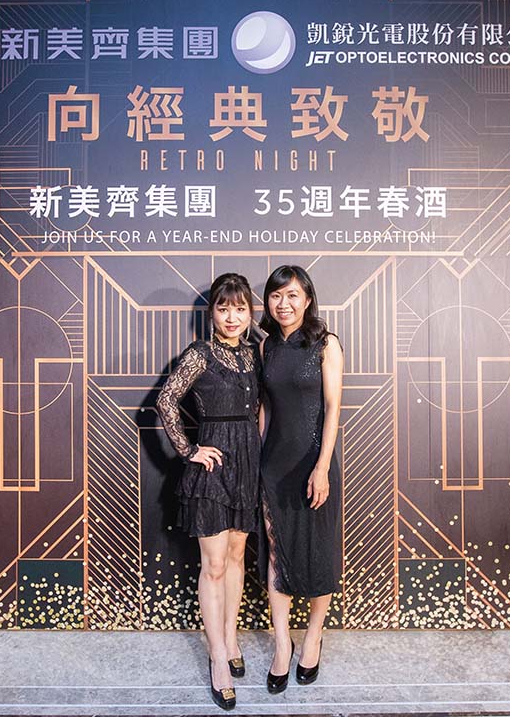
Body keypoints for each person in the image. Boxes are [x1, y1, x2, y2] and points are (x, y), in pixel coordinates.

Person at [155, 273, 260, 711]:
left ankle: (231, 639)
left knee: (236, 558)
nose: (232, 317)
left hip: (249, 466)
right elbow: (165, 401)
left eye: (240, 308)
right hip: (213, 469)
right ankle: (217, 656)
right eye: (223, 308)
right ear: (212, 312)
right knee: (214, 565)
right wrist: (189, 450)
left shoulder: (255, 354)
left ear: (250, 312)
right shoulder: (200, 354)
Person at [257, 265, 343, 693]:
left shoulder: (326, 343)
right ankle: (281, 644)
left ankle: (312, 637)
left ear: (307, 299)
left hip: (313, 462)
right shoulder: (266, 346)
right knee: (278, 554)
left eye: (292, 295)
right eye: (276, 296)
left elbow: (332, 406)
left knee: (317, 551)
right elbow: (265, 409)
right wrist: (256, 462)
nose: (283, 304)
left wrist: (322, 466)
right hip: (273, 466)